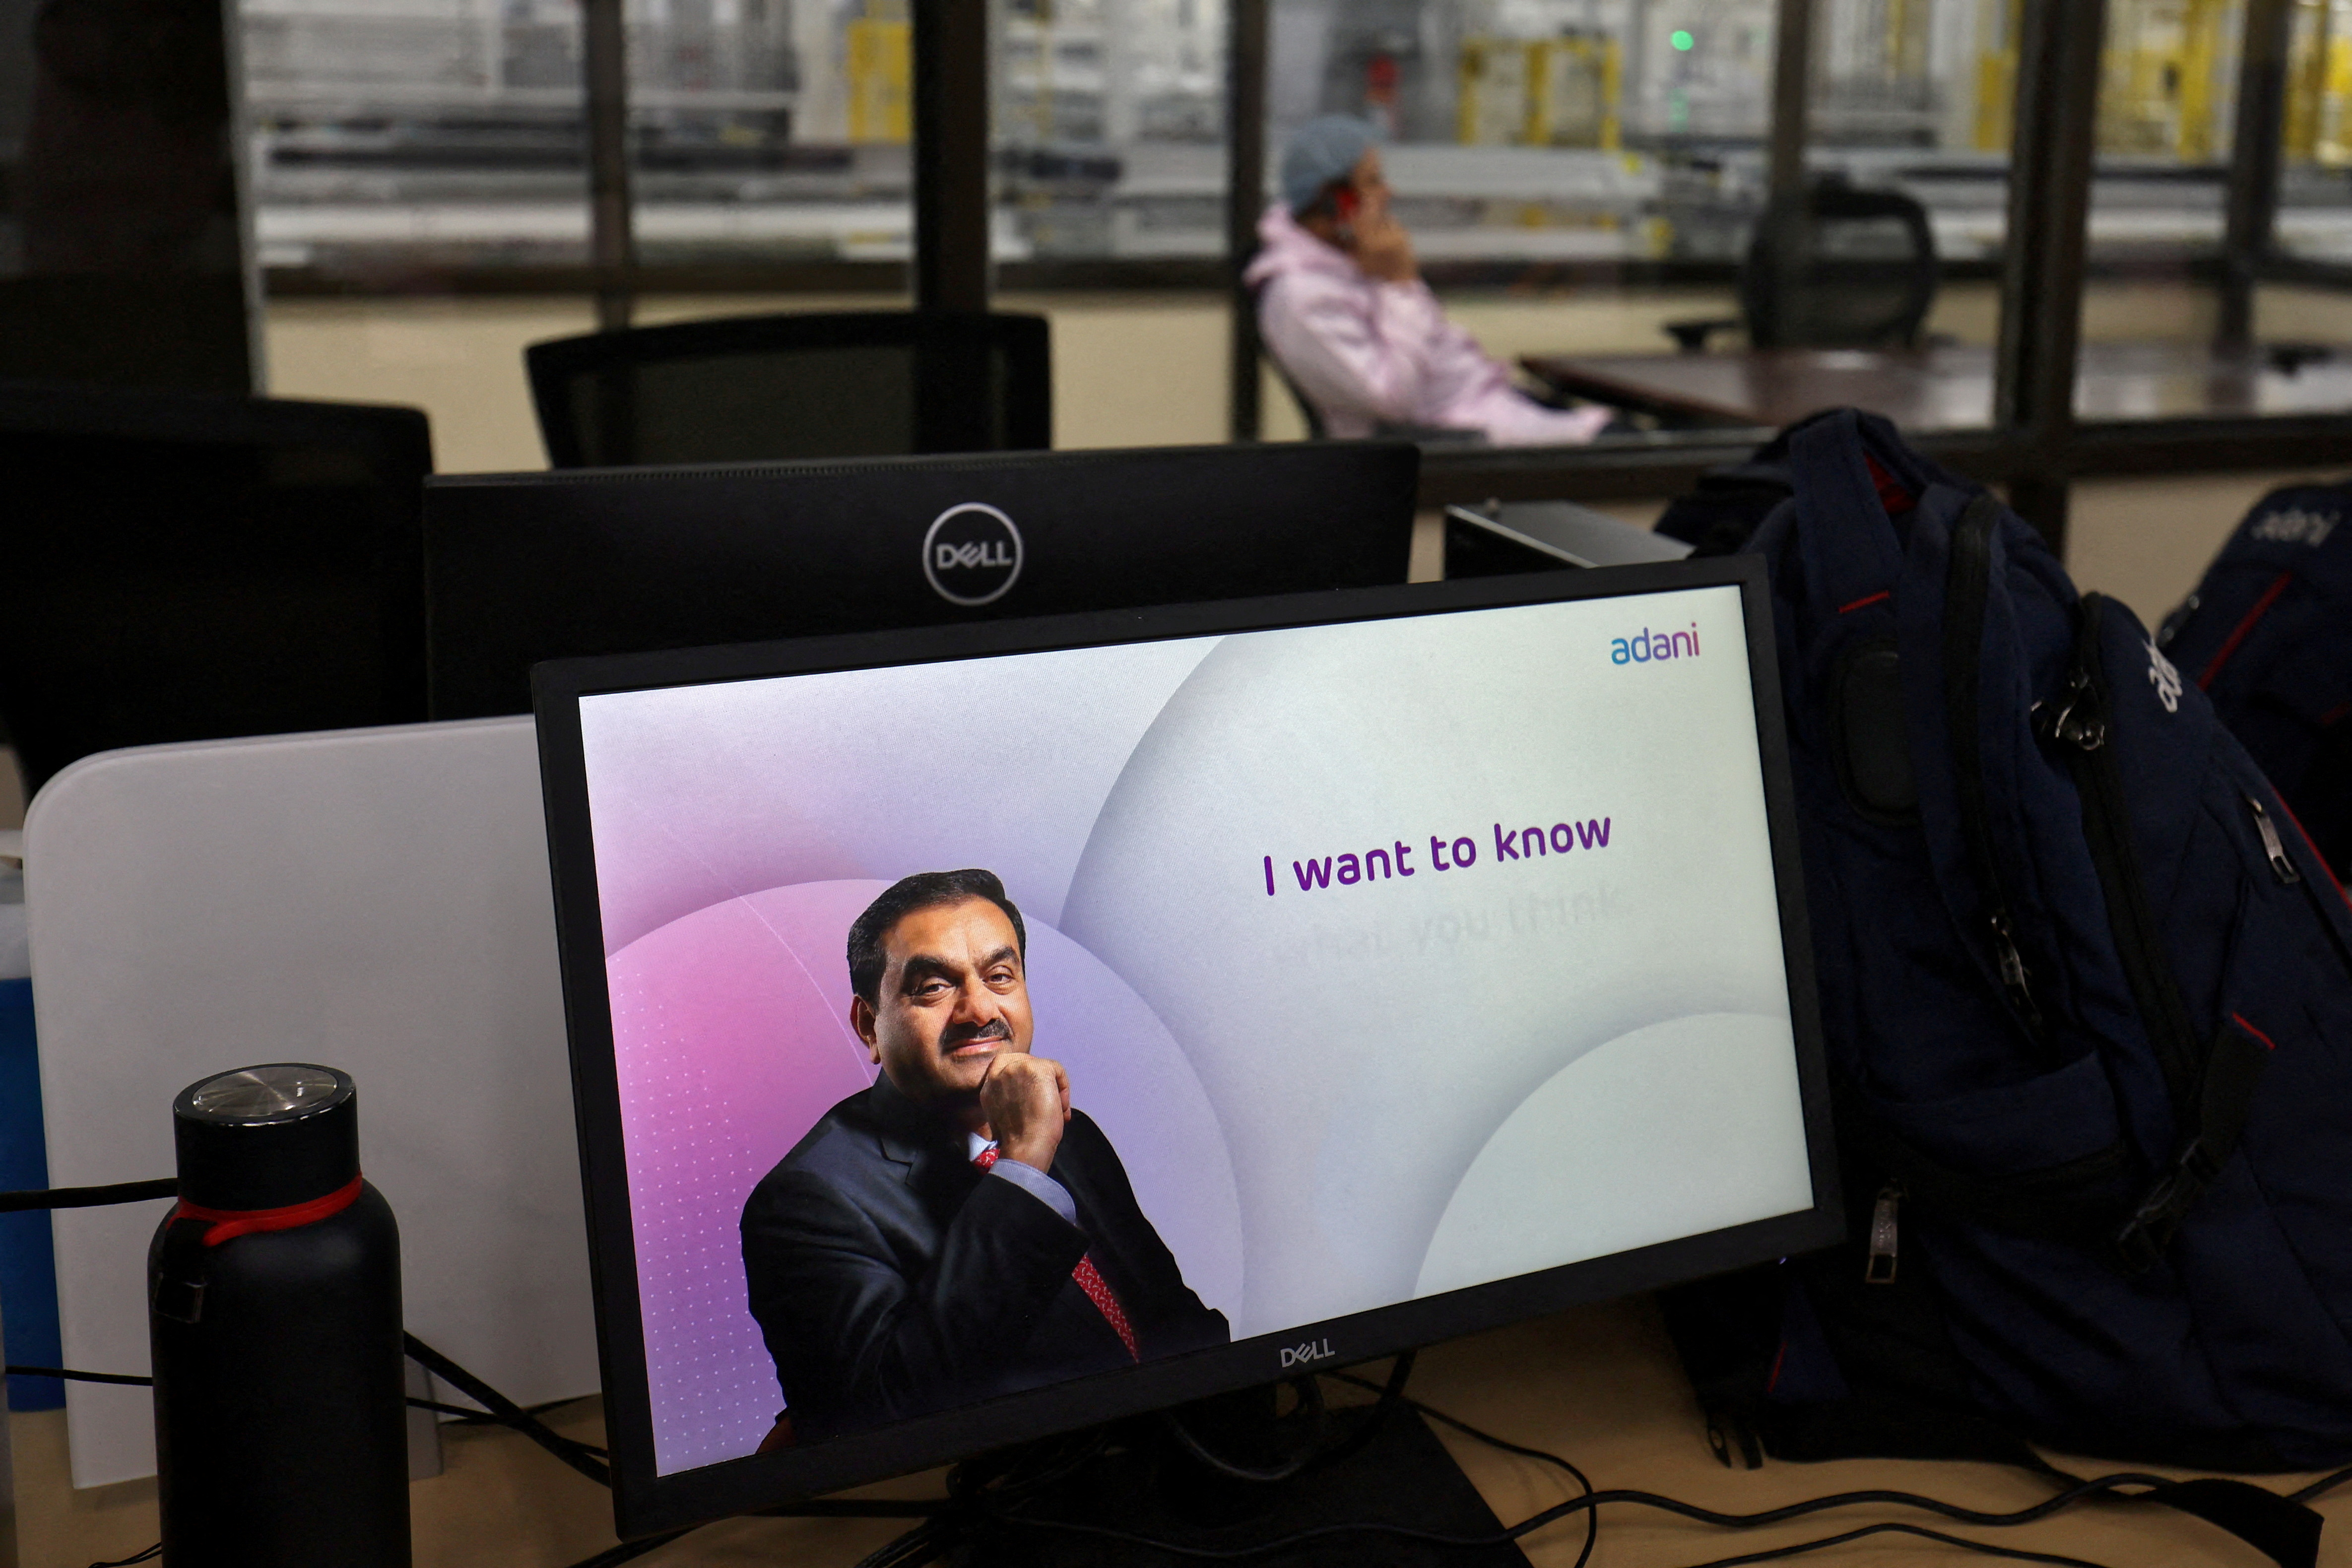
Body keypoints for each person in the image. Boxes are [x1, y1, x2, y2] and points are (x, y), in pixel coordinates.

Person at [740, 869, 1228, 1447]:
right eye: (933, 987)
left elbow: (1174, 1322)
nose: (978, 1010)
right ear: (870, 1025)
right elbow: (881, 1423)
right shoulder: (805, 1202)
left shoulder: (1072, 1135)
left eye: (1000, 976)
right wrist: (1021, 1168)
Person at [1245, 115, 1614, 446]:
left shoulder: (1351, 260)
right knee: (1630, 446)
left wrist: (1396, 280)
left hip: (1487, 407)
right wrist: (1399, 284)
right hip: (1459, 441)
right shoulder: (1301, 298)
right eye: (1373, 182)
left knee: (1624, 430)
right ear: (1333, 201)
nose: (1388, 193)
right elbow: (1393, 399)